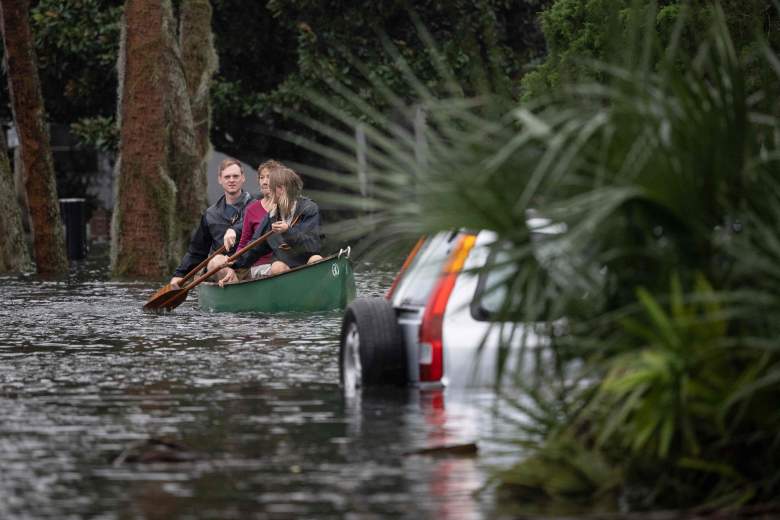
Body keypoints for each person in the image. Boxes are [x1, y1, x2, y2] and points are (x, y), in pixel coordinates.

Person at [218, 165, 322, 285]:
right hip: (286, 268)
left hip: (306, 264)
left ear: (281, 189)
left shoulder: (309, 209)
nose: (268, 190)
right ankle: (290, 298)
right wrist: (234, 263)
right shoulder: (272, 216)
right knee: (277, 266)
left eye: (271, 187)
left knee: (316, 260)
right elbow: (255, 247)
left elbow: (313, 246)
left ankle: (314, 297)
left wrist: (287, 231)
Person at [169, 158, 253, 288]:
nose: (231, 180)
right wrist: (179, 274)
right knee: (216, 261)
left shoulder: (256, 206)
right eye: (227, 177)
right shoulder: (210, 214)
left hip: (247, 267)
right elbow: (197, 251)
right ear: (220, 180)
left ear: (243, 178)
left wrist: (234, 230)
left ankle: (237, 292)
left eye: (235, 176)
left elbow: (251, 222)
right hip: (218, 268)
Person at [222, 160, 281, 281]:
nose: (264, 182)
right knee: (278, 268)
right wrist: (234, 267)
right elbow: (244, 243)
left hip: (286, 262)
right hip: (260, 267)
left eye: (269, 177)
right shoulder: (252, 210)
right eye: (261, 178)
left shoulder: (288, 206)